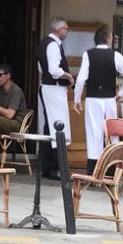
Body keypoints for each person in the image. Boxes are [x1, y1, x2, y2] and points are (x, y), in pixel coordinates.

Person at [73, 25, 123, 175]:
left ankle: (93, 169)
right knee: (112, 132)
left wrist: (77, 98)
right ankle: (112, 168)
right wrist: (121, 93)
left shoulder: (88, 54)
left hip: (93, 99)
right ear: (108, 39)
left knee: (93, 132)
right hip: (110, 99)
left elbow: (81, 79)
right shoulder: (115, 55)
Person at [37, 17, 74, 180]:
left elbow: (40, 67)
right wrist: (68, 76)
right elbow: (53, 70)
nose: (67, 31)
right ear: (59, 30)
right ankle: (54, 167)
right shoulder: (52, 45)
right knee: (58, 126)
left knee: (50, 127)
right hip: (53, 88)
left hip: (49, 87)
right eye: (66, 29)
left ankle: (47, 166)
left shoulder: (44, 43)